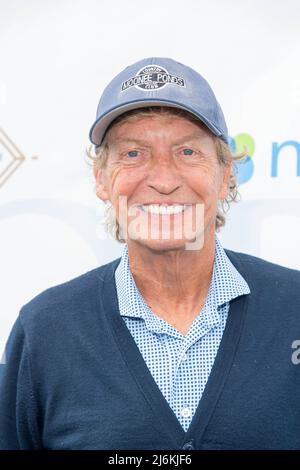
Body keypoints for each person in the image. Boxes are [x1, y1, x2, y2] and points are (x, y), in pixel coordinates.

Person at [0, 57, 300, 450]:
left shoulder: (293, 309)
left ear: (226, 174)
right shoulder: (44, 330)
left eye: (188, 151)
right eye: (133, 153)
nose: (162, 179)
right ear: (101, 179)